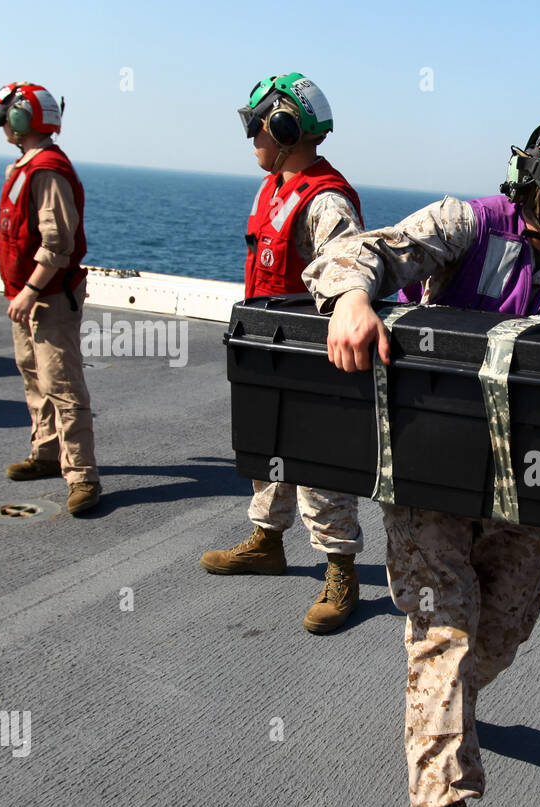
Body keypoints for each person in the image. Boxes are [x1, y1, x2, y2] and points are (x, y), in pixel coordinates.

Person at [304, 109, 540, 807]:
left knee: (503, 630)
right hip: (429, 473)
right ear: (530, 180)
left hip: (521, 494)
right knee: (444, 631)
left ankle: (442, 703)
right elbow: (359, 250)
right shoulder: (467, 227)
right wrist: (350, 297)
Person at [199, 74, 367, 635]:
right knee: (263, 450)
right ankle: (267, 543)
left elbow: (348, 274)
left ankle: (341, 570)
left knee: (319, 466)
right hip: (265, 348)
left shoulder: (327, 201)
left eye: (257, 127)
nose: (252, 139)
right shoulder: (273, 187)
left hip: (310, 358)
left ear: (284, 129)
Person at [0, 82, 101, 515]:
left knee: (62, 385)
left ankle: (82, 476)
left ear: (22, 118)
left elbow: (58, 243)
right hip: (30, 296)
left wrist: (32, 290)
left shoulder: (47, 171)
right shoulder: (25, 166)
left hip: (49, 296)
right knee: (33, 376)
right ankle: (45, 453)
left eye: (7, 114)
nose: (2, 122)